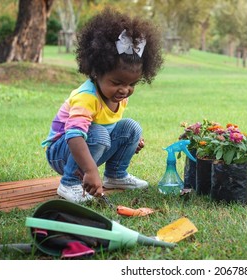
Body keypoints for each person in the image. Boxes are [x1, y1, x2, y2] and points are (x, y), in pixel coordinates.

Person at [41, 8, 164, 203]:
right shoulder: (86, 97)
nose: (124, 90)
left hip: (91, 144)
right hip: (62, 151)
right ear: (97, 72)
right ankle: (69, 182)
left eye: (131, 84)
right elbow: (74, 136)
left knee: (131, 128)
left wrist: (128, 143)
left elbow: (111, 128)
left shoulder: (119, 97)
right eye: (117, 83)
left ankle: (116, 175)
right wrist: (91, 170)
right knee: (97, 134)